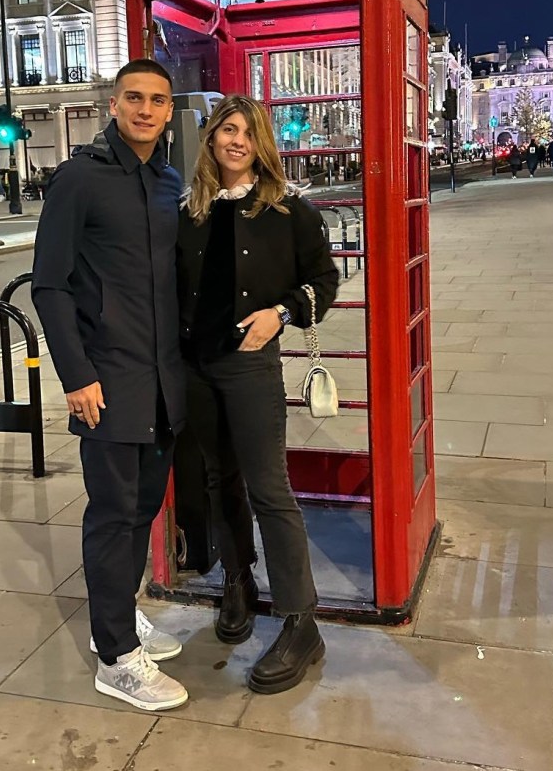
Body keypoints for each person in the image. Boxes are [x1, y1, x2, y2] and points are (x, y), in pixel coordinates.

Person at [31, 59, 188, 713]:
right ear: (114, 103)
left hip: (161, 381)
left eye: (157, 99)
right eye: (133, 98)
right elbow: (49, 284)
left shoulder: (167, 179)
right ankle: (116, 656)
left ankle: (120, 615)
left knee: (143, 508)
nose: (145, 109)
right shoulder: (78, 179)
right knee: (111, 514)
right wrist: (76, 375)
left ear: (169, 110)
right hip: (107, 381)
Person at [177, 95, 339, 695]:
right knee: (220, 479)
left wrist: (281, 312)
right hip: (197, 367)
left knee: (270, 489)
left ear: (260, 141)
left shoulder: (288, 210)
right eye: (226, 129)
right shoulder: (189, 211)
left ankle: (302, 621)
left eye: (247, 131)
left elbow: (326, 279)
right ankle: (238, 583)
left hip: (249, 367)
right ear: (212, 139)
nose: (235, 140)